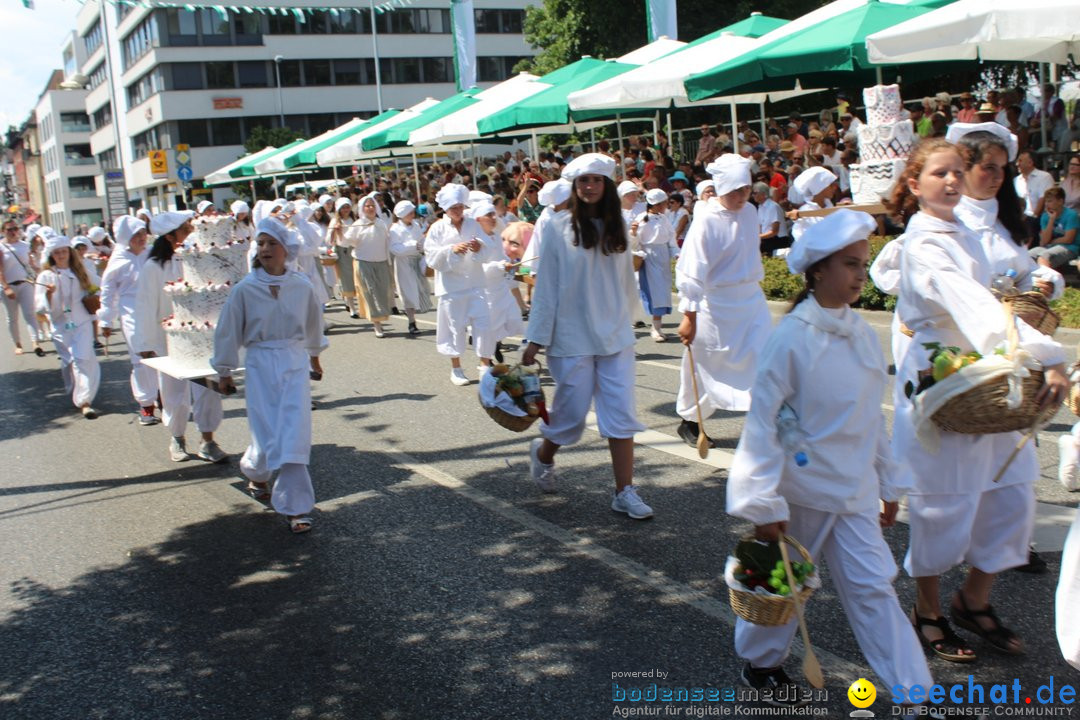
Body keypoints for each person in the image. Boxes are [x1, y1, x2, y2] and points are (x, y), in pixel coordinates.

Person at [727, 210, 933, 706]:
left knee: (875, 593)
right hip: (803, 492)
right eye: (850, 264)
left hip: (856, 492)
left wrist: (888, 482)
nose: (862, 274)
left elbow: (869, 419)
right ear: (818, 269)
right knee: (784, 590)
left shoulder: (861, 332)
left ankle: (917, 698)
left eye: (863, 263)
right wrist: (762, 502)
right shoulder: (791, 338)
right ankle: (761, 664)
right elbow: (763, 424)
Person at [888, 138, 1068, 662]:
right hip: (945, 379)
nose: (950, 181)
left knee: (1010, 492)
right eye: (938, 173)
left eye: (954, 172)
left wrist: (1040, 281)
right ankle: (927, 609)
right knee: (946, 501)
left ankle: (974, 599)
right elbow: (974, 307)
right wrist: (1048, 353)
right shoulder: (923, 243)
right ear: (914, 185)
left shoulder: (967, 229)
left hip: (987, 373)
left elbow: (1003, 280)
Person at [522, 153, 651, 519]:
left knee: (620, 415)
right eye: (583, 181)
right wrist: (535, 338)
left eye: (596, 180)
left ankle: (624, 491)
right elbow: (546, 285)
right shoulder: (558, 226)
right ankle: (543, 454)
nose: (589, 187)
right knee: (570, 417)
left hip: (614, 335)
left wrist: (631, 321)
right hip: (571, 335)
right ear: (574, 187)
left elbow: (626, 280)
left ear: (607, 186)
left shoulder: (619, 226)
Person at [213, 218, 326, 534]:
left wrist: (314, 357)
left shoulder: (301, 286)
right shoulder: (246, 289)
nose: (264, 249)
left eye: (271, 243)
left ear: (285, 250)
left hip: (293, 361)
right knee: (266, 434)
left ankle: (296, 508)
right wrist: (224, 370)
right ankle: (255, 470)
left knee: (294, 432)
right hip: (260, 364)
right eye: (260, 243)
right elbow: (228, 331)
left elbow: (313, 323)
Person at [674, 154, 772, 449]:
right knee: (706, 365)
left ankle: (768, 421)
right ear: (719, 189)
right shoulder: (706, 220)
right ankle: (691, 420)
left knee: (766, 356)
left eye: (745, 189)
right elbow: (692, 269)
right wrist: (689, 315)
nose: (742, 197)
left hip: (751, 300)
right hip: (715, 304)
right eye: (734, 191)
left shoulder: (751, 212)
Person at [132, 211, 228, 464]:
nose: (191, 234)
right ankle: (178, 437)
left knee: (209, 388)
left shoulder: (199, 259)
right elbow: (143, 306)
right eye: (186, 230)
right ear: (170, 236)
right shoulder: (153, 268)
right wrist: (144, 344)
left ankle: (208, 439)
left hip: (204, 337)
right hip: (169, 340)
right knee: (174, 392)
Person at [424, 183, 499, 386]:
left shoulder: (473, 224)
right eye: (453, 207)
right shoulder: (437, 228)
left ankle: (485, 365)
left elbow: (488, 246)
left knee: (483, 325)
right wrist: (452, 250)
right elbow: (431, 257)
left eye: (460, 206)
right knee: (454, 327)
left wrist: (478, 246)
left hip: (475, 283)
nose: (458, 211)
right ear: (445, 208)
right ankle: (456, 368)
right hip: (451, 287)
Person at [97, 215, 160, 425]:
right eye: (137, 235)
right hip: (131, 314)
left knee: (160, 355)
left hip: (155, 311)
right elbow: (107, 293)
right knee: (140, 359)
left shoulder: (151, 254)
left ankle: (163, 395)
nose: (142, 238)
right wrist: (106, 321)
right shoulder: (118, 262)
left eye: (143, 233)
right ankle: (146, 405)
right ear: (126, 238)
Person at [34, 235, 101, 419]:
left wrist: (96, 296)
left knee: (82, 358)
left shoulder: (81, 272)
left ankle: (85, 402)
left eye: (64, 251)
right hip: (61, 325)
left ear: (69, 253)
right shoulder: (46, 276)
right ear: (52, 255)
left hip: (82, 321)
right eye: (57, 253)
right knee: (69, 362)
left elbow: (99, 286)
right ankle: (75, 390)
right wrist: (48, 294)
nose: (61, 255)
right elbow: (39, 306)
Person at [473, 200, 524, 364]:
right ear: (478, 219)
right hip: (485, 292)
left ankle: (496, 345)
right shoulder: (475, 242)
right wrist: (500, 266)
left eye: (493, 214)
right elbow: (478, 269)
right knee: (487, 328)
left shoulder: (497, 237)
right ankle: (485, 362)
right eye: (489, 215)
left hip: (501, 288)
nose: (493, 218)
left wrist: (511, 263)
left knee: (513, 319)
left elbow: (503, 258)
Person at [1, 218, 44, 356]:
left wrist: (42, 272)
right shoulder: (1, 247)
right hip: (9, 286)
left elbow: (30, 265)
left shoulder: (24, 245)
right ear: (3, 231)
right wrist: (6, 287)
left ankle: (35, 342)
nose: (13, 232)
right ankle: (18, 344)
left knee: (30, 313)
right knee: (12, 317)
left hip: (25, 283)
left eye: (15, 228)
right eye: (10, 229)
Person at [389, 200, 433, 335]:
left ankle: (416, 314)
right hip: (404, 264)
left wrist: (424, 245)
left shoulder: (415, 225)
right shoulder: (394, 229)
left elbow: (421, 241)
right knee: (407, 292)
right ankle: (411, 321)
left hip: (417, 261)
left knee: (422, 289)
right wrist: (413, 245)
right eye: (410, 212)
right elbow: (395, 249)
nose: (413, 215)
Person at [1030, 187, 1080, 269]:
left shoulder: (1071, 215)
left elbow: (1068, 239)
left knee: (1045, 255)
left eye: (1050, 201)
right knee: (1028, 255)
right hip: (1050, 247)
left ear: (1060, 201)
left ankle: (1045, 278)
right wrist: (1051, 220)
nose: (1046, 204)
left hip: (1070, 248)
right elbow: (1043, 242)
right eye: (1046, 201)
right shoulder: (1045, 216)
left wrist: (1051, 241)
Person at [327, 197, 360, 318]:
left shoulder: (355, 219)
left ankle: (357, 303)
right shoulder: (335, 221)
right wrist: (335, 231)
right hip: (343, 252)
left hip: (355, 250)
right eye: (343, 208)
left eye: (347, 207)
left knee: (357, 277)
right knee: (346, 279)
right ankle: (352, 307)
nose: (346, 210)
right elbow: (328, 240)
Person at [1014, 150, 1054, 243]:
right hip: (1022, 219)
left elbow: (1043, 200)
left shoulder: (1044, 177)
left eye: (1020, 161)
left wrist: (1032, 218)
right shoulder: (1016, 180)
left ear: (1030, 163)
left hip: (1038, 218)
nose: (1017, 164)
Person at [790, 167, 838, 243]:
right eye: (831, 185)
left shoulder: (831, 207)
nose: (835, 188)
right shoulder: (805, 212)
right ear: (820, 188)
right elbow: (801, 238)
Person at [753, 182, 785, 256]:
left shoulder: (773, 206)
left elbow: (774, 231)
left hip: (778, 240)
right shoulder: (760, 208)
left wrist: (757, 237)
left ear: (764, 194)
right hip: (767, 239)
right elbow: (759, 228)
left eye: (755, 193)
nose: (753, 195)